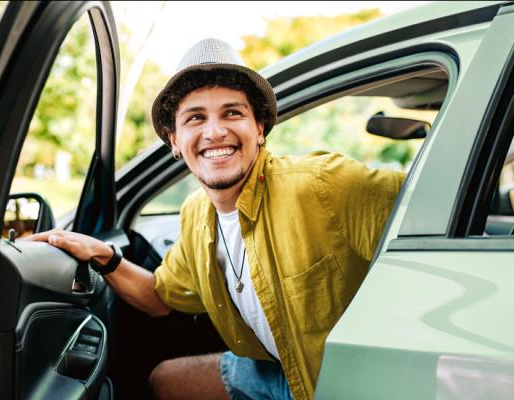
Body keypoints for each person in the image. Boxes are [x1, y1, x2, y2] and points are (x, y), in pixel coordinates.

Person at [28, 38, 404, 400]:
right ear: (174, 141)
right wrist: (100, 254)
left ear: (259, 128)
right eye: (196, 118)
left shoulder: (324, 184)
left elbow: (430, 202)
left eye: (232, 113)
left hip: (344, 384)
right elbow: (160, 297)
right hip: (278, 369)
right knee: (164, 381)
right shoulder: (196, 214)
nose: (215, 131)